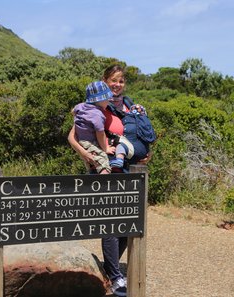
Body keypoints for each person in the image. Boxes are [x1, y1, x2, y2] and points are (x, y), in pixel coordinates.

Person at [68, 64, 151, 297]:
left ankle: (109, 268)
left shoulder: (128, 105)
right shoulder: (95, 105)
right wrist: (86, 154)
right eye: (113, 80)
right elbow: (72, 136)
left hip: (127, 169)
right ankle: (115, 277)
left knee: (128, 222)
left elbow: (138, 133)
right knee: (110, 222)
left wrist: (145, 154)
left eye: (121, 81)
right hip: (104, 168)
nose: (117, 84)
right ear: (105, 81)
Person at [72, 80, 115, 174]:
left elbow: (73, 110)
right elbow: (100, 133)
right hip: (89, 143)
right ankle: (104, 183)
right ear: (100, 100)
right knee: (103, 161)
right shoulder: (97, 115)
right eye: (107, 99)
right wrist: (106, 148)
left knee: (92, 165)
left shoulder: (81, 106)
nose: (108, 101)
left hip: (82, 141)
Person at [109, 103, 156, 169]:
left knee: (120, 144)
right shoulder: (146, 123)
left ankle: (119, 160)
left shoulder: (126, 119)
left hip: (129, 152)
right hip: (144, 153)